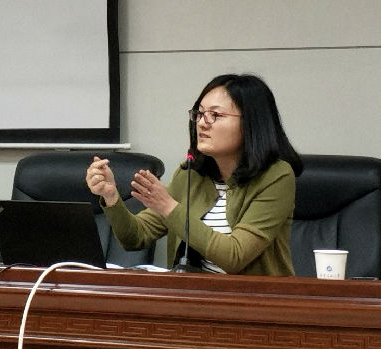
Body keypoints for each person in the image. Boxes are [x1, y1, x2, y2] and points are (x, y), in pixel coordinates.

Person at [86, 73, 303, 276]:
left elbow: (235, 256)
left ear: (250, 123)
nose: (201, 123)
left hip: (253, 299)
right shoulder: (191, 174)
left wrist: (168, 207)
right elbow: (135, 237)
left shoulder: (276, 176)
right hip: (195, 295)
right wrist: (111, 196)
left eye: (215, 115)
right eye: (199, 113)